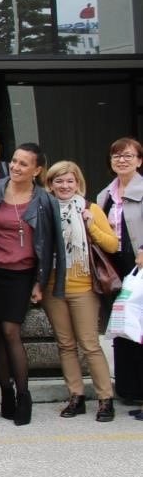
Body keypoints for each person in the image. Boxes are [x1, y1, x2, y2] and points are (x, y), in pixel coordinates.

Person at [0, 143, 61, 426]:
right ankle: (5, 391)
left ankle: (24, 394)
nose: (15, 167)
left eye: (24, 164)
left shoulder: (44, 200)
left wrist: (39, 282)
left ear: (37, 170)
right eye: (14, 161)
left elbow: (49, 245)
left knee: (11, 331)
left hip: (21, 273)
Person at [42, 160, 117, 422]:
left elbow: (112, 245)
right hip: (54, 288)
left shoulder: (90, 208)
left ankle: (105, 398)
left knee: (90, 344)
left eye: (69, 181)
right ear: (50, 184)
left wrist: (91, 225)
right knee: (65, 345)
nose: (64, 186)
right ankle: (76, 396)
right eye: (59, 181)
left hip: (84, 286)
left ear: (78, 183)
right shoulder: (44, 210)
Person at [97, 137, 143, 411]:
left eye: (128, 155)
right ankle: (130, 389)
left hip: (140, 265)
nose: (122, 160)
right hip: (115, 268)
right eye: (117, 156)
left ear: (139, 160)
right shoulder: (105, 194)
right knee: (123, 327)